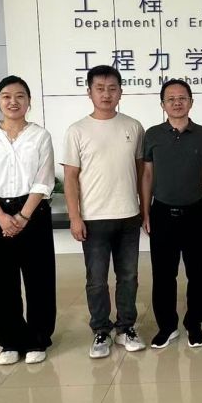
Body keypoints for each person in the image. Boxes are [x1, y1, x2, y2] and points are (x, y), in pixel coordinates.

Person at [0, 75, 56, 365]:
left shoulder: (40, 136)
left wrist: (22, 216)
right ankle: (10, 340)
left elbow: (44, 180)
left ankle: (38, 339)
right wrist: (2, 218)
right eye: (6, 96)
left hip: (33, 211)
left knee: (39, 278)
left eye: (20, 96)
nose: (13, 101)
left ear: (29, 101)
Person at [62, 65, 147, 358]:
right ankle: (101, 330)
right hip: (93, 218)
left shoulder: (133, 126)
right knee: (96, 279)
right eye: (100, 88)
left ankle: (126, 328)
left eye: (112, 89)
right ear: (89, 92)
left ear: (121, 92)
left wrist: (144, 209)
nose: (106, 94)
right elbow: (70, 178)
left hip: (128, 215)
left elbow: (141, 172)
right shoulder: (77, 130)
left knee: (129, 276)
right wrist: (75, 217)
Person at [140, 79, 202, 349]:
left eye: (182, 98)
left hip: (196, 211)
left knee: (197, 273)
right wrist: (145, 211)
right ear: (162, 104)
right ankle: (167, 326)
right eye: (170, 99)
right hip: (161, 212)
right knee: (163, 274)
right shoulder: (152, 135)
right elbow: (147, 175)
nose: (177, 102)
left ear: (191, 102)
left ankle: (194, 323)